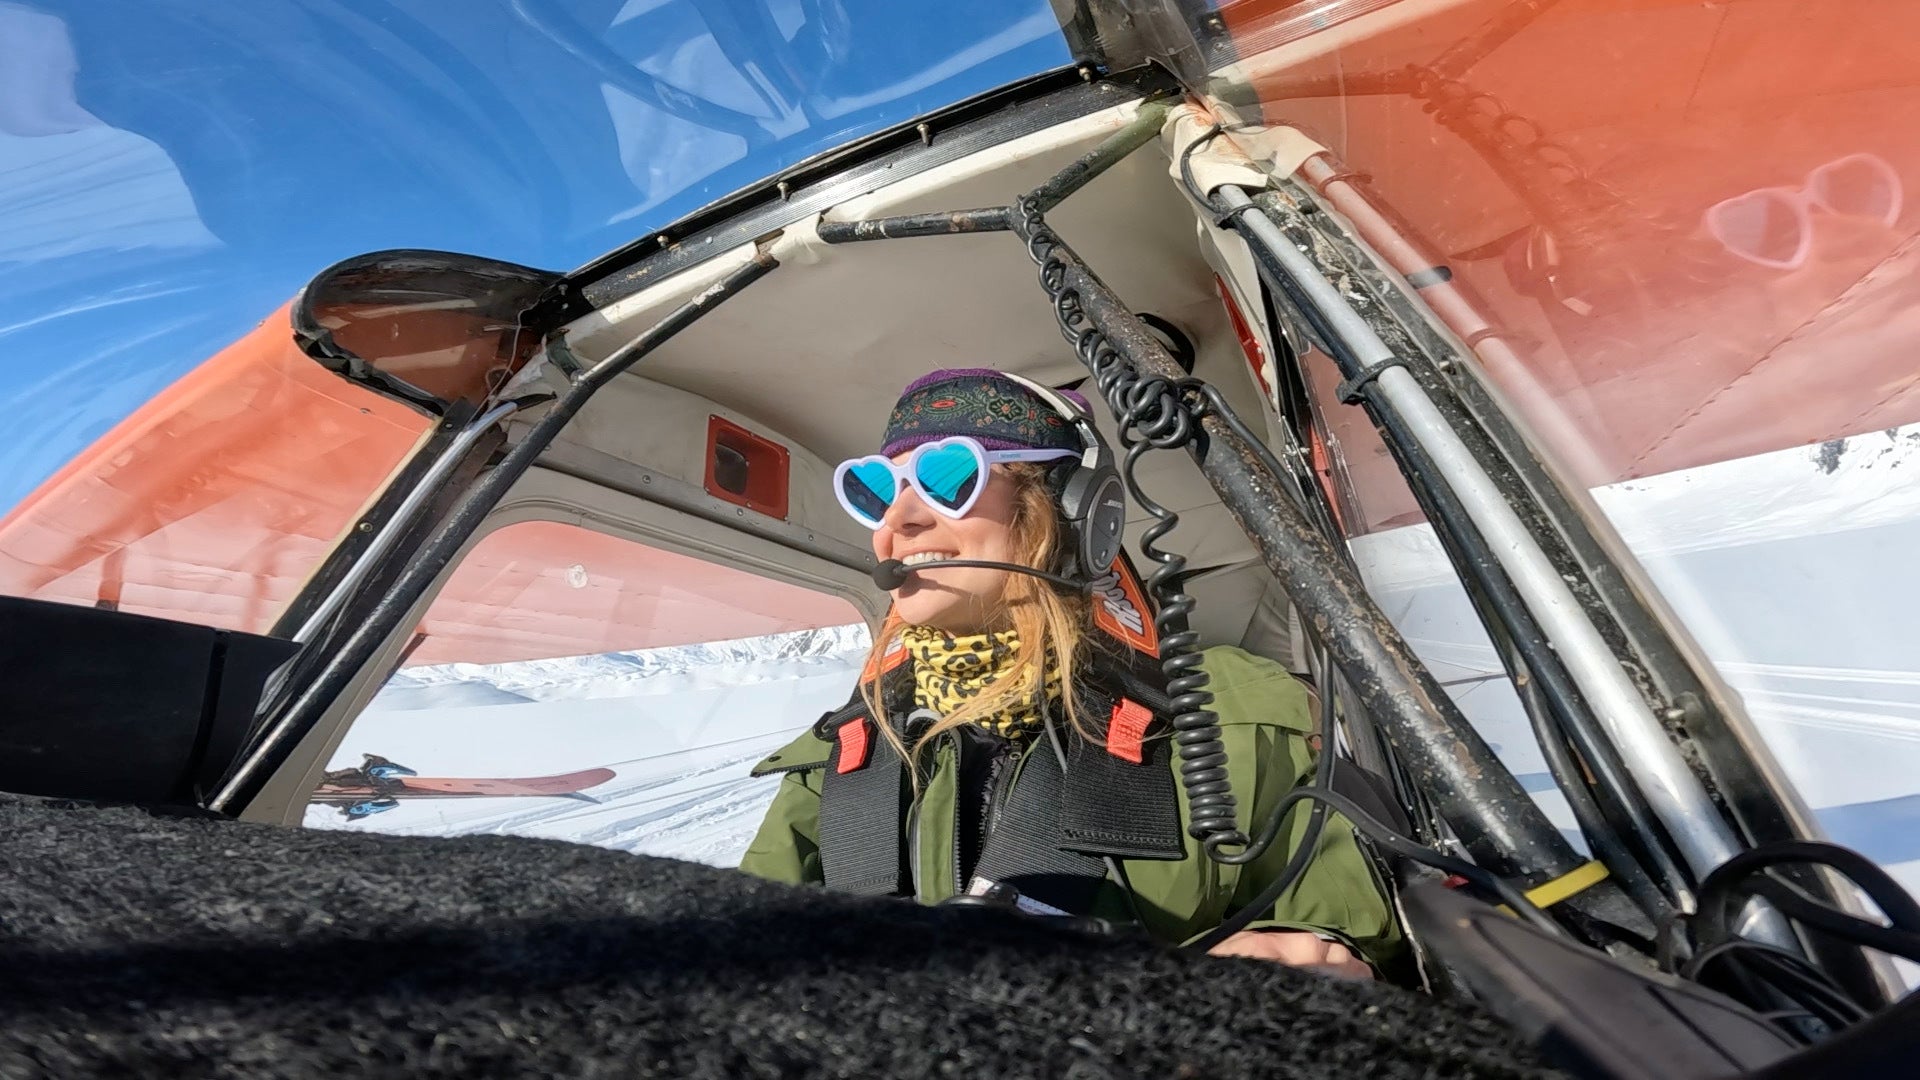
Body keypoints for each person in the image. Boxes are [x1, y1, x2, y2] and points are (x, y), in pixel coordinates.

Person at [739, 368, 1401, 976]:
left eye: (947, 479)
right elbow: (741, 963)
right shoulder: (844, 755)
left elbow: (1345, 924)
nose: (897, 521)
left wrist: (1308, 956)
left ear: (1077, 513)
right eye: (877, 491)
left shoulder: (1222, 715)